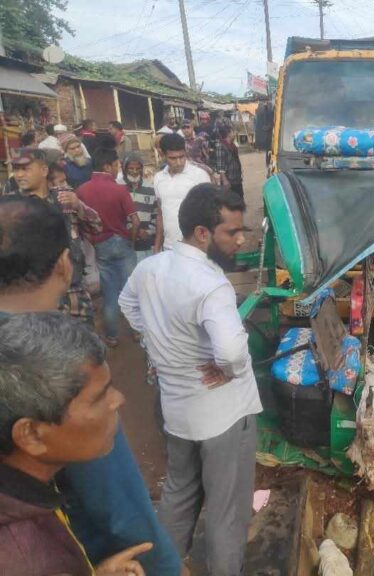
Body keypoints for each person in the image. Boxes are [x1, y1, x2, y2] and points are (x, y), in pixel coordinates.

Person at [0, 196, 182, 575]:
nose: (117, 401)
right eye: (101, 396)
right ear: (66, 263)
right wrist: (166, 567)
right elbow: (119, 503)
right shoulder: (56, 371)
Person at [119, 185, 262, 576]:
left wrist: (157, 347)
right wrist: (228, 369)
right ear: (202, 233)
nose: (241, 239)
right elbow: (232, 352)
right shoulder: (211, 284)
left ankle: (163, 567)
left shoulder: (150, 268)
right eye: (231, 232)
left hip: (178, 410)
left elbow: (126, 304)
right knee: (226, 507)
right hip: (224, 415)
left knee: (179, 492)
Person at [0, 313, 155, 576]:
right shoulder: (28, 560)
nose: (118, 400)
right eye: (99, 397)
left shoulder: (24, 489)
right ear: (32, 435)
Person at [5, 148, 101, 326]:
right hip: (32, 299)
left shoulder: (64, 199)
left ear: (43, 170)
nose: (18, 175)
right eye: (16, 169)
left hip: (74, 293)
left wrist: (78, 206)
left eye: (25, 169)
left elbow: (96, 228)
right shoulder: (9, 206)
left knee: (82, 346)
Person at [76, 148, 139, 347]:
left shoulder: (81, 190)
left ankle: (112, 335)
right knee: (132, 290)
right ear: (107, 166)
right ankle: (137, 331)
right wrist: (132, 240)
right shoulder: (120, 189)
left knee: (109, 294)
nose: (117, 169)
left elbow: (80, 223)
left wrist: (93, 240)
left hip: (100, 244)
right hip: (122, 241)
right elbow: (135, 221)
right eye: (116, 165)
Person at [153, 133, 210, 252]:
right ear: (162, 155)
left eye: (182, 156)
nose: (179, 162)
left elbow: (210, 213)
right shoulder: (158, 178)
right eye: (173, 158)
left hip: (195, 247)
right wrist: (157, 245)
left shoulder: (199, 175)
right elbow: (160, 213)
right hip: (169, 246)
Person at [124, 152, 158, 262]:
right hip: (125, 242)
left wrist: (149, 232)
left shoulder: (150, 188)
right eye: (131, 168)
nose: (134, 172)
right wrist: (131, 230)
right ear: (125, 169)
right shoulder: (118, 186)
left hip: (145, 243)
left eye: (137, 168)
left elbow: (156, 214)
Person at [212, 124, 244, 197]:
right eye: (233, 131)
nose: (235, 133)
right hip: (229, 179)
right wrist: (225, 180)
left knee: (239, 197)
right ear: (229, 134)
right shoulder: (221, 146)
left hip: (236, 178)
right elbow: (220, 166)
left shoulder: (233, 145)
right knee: (231, 200)